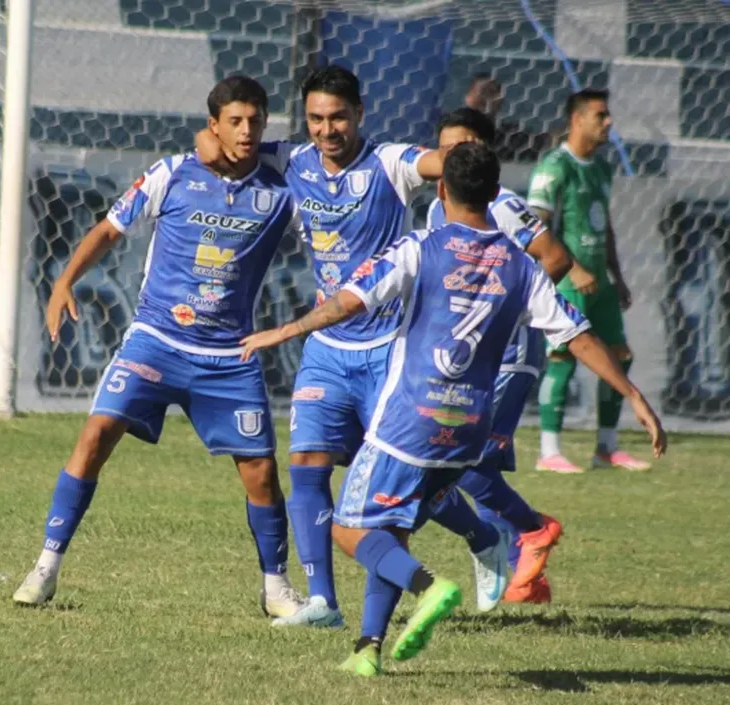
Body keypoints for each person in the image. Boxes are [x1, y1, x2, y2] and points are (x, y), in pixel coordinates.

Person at [240, 141, 667, 676]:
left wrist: (284, 330)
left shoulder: (420, 247)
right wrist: (634, 395)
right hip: (467, 433)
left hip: (407, 422)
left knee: (348, 530)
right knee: (392, 527)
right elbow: (577, 335)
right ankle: (368, 648)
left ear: (441, 191)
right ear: (495, 194)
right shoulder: (521, 266)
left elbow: (348, 301)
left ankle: (427, 585)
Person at [196, 66, 509, 628]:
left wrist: (467, 155)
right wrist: (205, 138)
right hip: (328, 346)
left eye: (337, 116)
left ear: (360, 113)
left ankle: (484, 537)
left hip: (393, 352)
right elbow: (219, 143)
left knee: (417, 488)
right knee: (308, 467)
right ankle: (323, 603)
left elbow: (443, 163)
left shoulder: (389, 163)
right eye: (315, 118)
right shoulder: (291, 160)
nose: (326, 128)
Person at [12, 75, 306, 619]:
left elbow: (324, 158)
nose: (246, 131)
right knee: (95, 434)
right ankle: (45, 567)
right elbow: (108, 230)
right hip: (156, 340)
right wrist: (63, 281)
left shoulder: (283, 187)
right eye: (233, 121)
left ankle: (275, 588)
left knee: (261, 472)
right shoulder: (172, 173)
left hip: (227, 355)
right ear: (213, 124)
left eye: (255, 121)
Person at [425, 107, 593, 603]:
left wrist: (513, 313)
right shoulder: (439, 207)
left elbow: (556, 257)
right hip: (472, 360)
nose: (448, 157)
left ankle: (531, 529)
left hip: (510, 354)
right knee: (482, 464)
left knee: (458, 460)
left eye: (459, 148)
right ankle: (527, 579)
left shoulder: (500, 203)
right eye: (443, 148)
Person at [529, 89, 651, 473]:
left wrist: (618, 275)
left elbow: (605, 225)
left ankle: (606, 447)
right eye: (601, 115)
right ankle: (549, 451)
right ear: (577, 119)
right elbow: (535, 225)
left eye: (608, 115)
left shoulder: (600, 167)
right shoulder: (554, 166)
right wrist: (572, 269)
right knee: (563, 357)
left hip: (599, 282)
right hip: (568, 281)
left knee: (621, 356)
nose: (608, 122)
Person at [465, 73, 551, 163]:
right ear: (468, 97)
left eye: (492, 92)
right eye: (482, 91)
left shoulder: (512, 136)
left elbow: (546, 140)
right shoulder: (452, 130)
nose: (485, 98)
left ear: (500, 101)